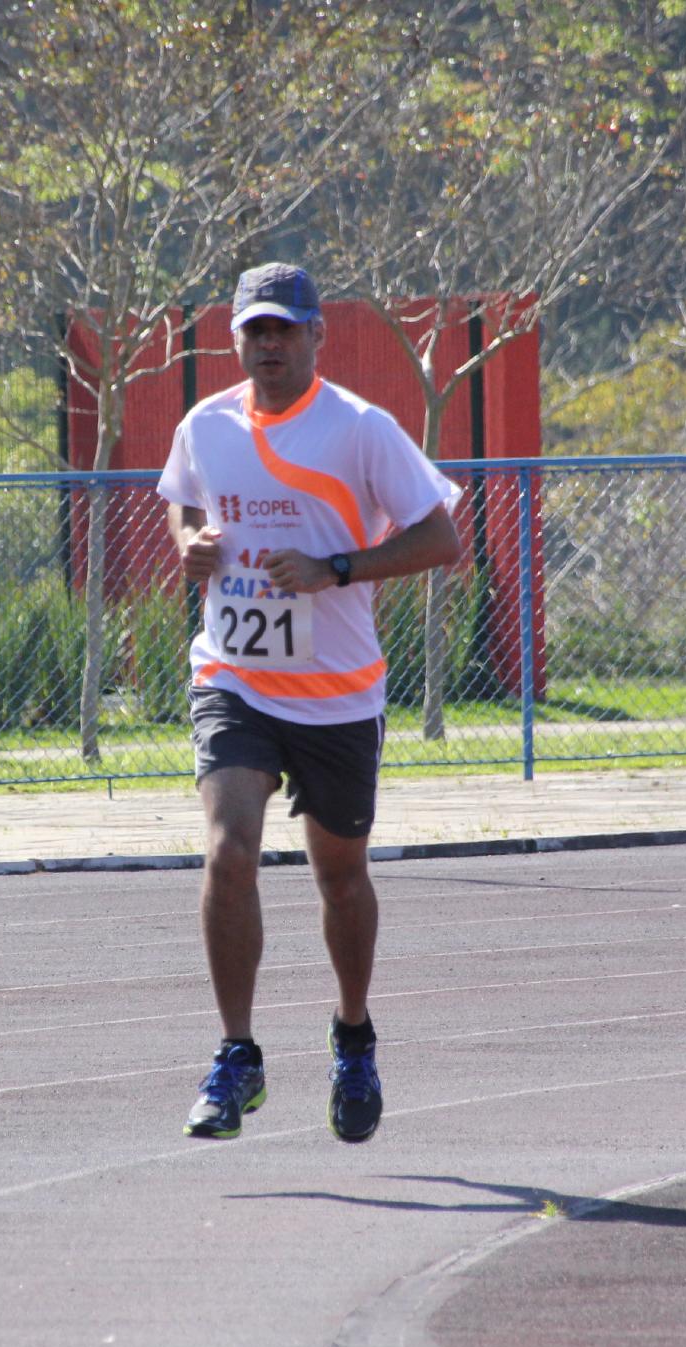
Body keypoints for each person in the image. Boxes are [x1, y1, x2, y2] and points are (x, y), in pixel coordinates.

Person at [155, 262, 462, 1143]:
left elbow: (441, 536)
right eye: (256, 329)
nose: (270, 344)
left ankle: (353, 1036)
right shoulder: (205, 426)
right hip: (236, 680)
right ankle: (236, 1055)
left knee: (340, 876)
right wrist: (193, 544)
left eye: (285, 329)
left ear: (317, 335)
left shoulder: (361, 429)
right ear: (236, 339)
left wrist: (337, 569)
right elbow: (183, 505)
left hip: (336, 695)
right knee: (229, 852)